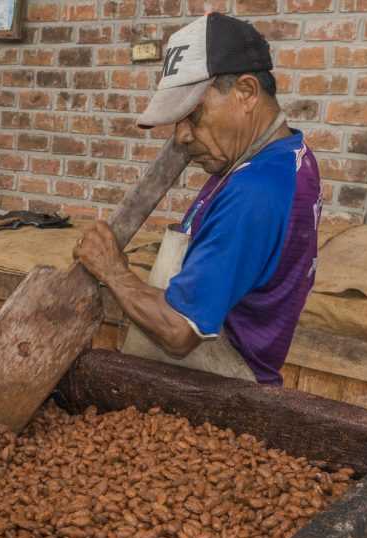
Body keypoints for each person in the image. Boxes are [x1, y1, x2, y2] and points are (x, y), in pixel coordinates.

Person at [74, 12, 321, 385]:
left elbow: (177, 332)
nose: (182, 136)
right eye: (178, 120)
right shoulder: (279, 157)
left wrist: (112, 270)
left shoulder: (256, 190)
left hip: (222, 392)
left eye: (195, 114)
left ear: (247, 93)